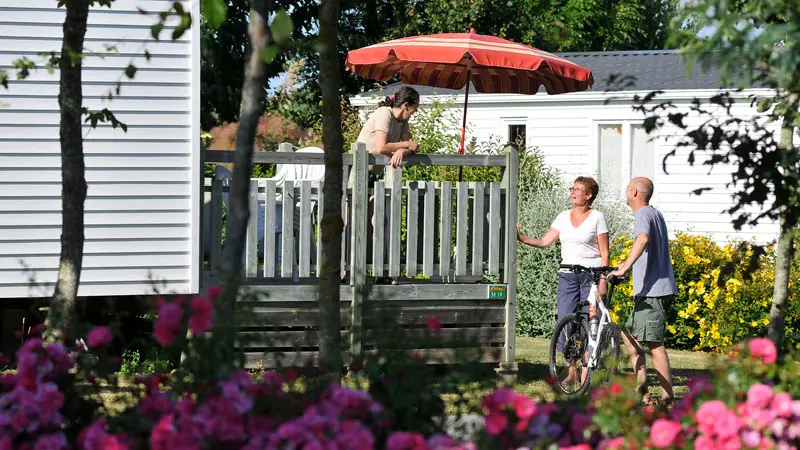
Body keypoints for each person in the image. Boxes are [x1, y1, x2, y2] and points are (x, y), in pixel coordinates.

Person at [517, 176, 609, 385]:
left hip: (591, 276)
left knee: (589, 322)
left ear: (588, 195)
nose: (572, 192)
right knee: (567, 321)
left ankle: (587, 373)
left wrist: (603, 279)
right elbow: (544, 241)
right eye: (572, 188)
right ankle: (571, 372)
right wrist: (521, 237)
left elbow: (605, 253)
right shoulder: (562, 216)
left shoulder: (597, 217)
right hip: (568, 275)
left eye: (577, 189)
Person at [609, 177, 677, 406]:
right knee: (629, 336)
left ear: (635, 193)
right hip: (651, 291)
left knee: (655, 345)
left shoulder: (643, 215)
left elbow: (643, 239)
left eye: (628, 189)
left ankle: (668, 399)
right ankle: (642, 392)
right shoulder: (654, 214)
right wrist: (623, 267)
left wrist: (625, 268)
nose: (626, 192)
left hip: (653, 292)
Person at [354, 86, 421, 284]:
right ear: (406, 105)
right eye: (414, 108)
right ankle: (345, 273)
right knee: (353, 225)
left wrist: (403, 150)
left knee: (380, 223)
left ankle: (380, 273)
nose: (415, 112)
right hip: (357, 175)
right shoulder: (384, 113)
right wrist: (404, 145)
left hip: (373, 178)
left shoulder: (402, 121)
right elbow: (381, 146)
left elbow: (413, 145)